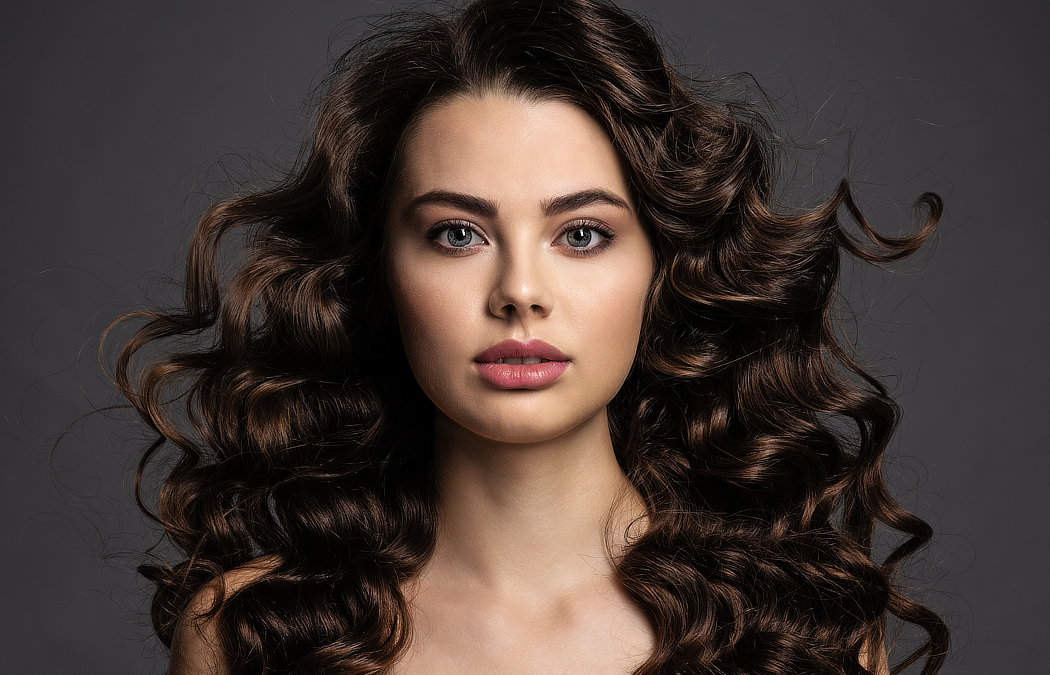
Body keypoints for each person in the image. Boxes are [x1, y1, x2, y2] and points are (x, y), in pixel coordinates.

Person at [111, 0, 949, 672]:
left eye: (581, 233)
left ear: (662, 268)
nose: (518, 292)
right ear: (377, 274)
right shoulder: (252, 633)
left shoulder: (803, 635)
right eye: (456, 234)